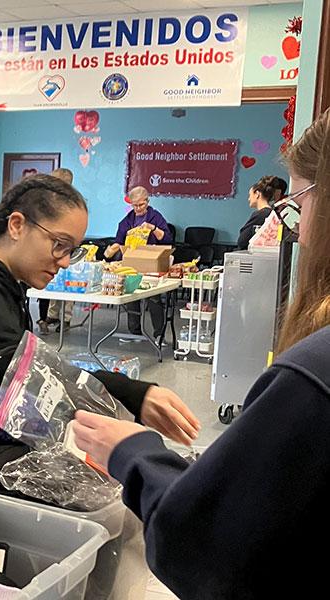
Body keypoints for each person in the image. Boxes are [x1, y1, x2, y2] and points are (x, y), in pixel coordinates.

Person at [72, 110, 330, 599]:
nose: (302, 228)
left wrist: (134, 452)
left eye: (301, 204)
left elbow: (205, 543)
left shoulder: (312, 374)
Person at [0, 175, 201, 446]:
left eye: (71, 250)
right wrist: (134, 395)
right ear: (17, 225)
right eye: (59, 244)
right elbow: (30, 374)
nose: (64, 262)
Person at [104, 186, 173, 338]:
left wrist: (152, 228)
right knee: (131, 294)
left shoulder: (156, 217)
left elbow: (167, 239)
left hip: (151, 263)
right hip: (132, 262)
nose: (138, 208)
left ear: (147, 202)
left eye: (141, 204)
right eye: (135, 205)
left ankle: (158, 334)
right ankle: (134, 331)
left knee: (154, 298)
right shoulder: (127, 220)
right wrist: (112, 249)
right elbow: (119, 241)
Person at [38, 167, 75, 334]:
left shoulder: (72, 203)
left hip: (63, 246)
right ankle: (49, 316)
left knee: (67, 282)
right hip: (49, 246)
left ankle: (65, 318)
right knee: (50, 283)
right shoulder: (45, 200)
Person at [237, 175, 284, 249]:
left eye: (250, 195)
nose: (249, 199)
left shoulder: (260, 215)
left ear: (257, 194)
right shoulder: (273, 214)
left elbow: (242, 241)